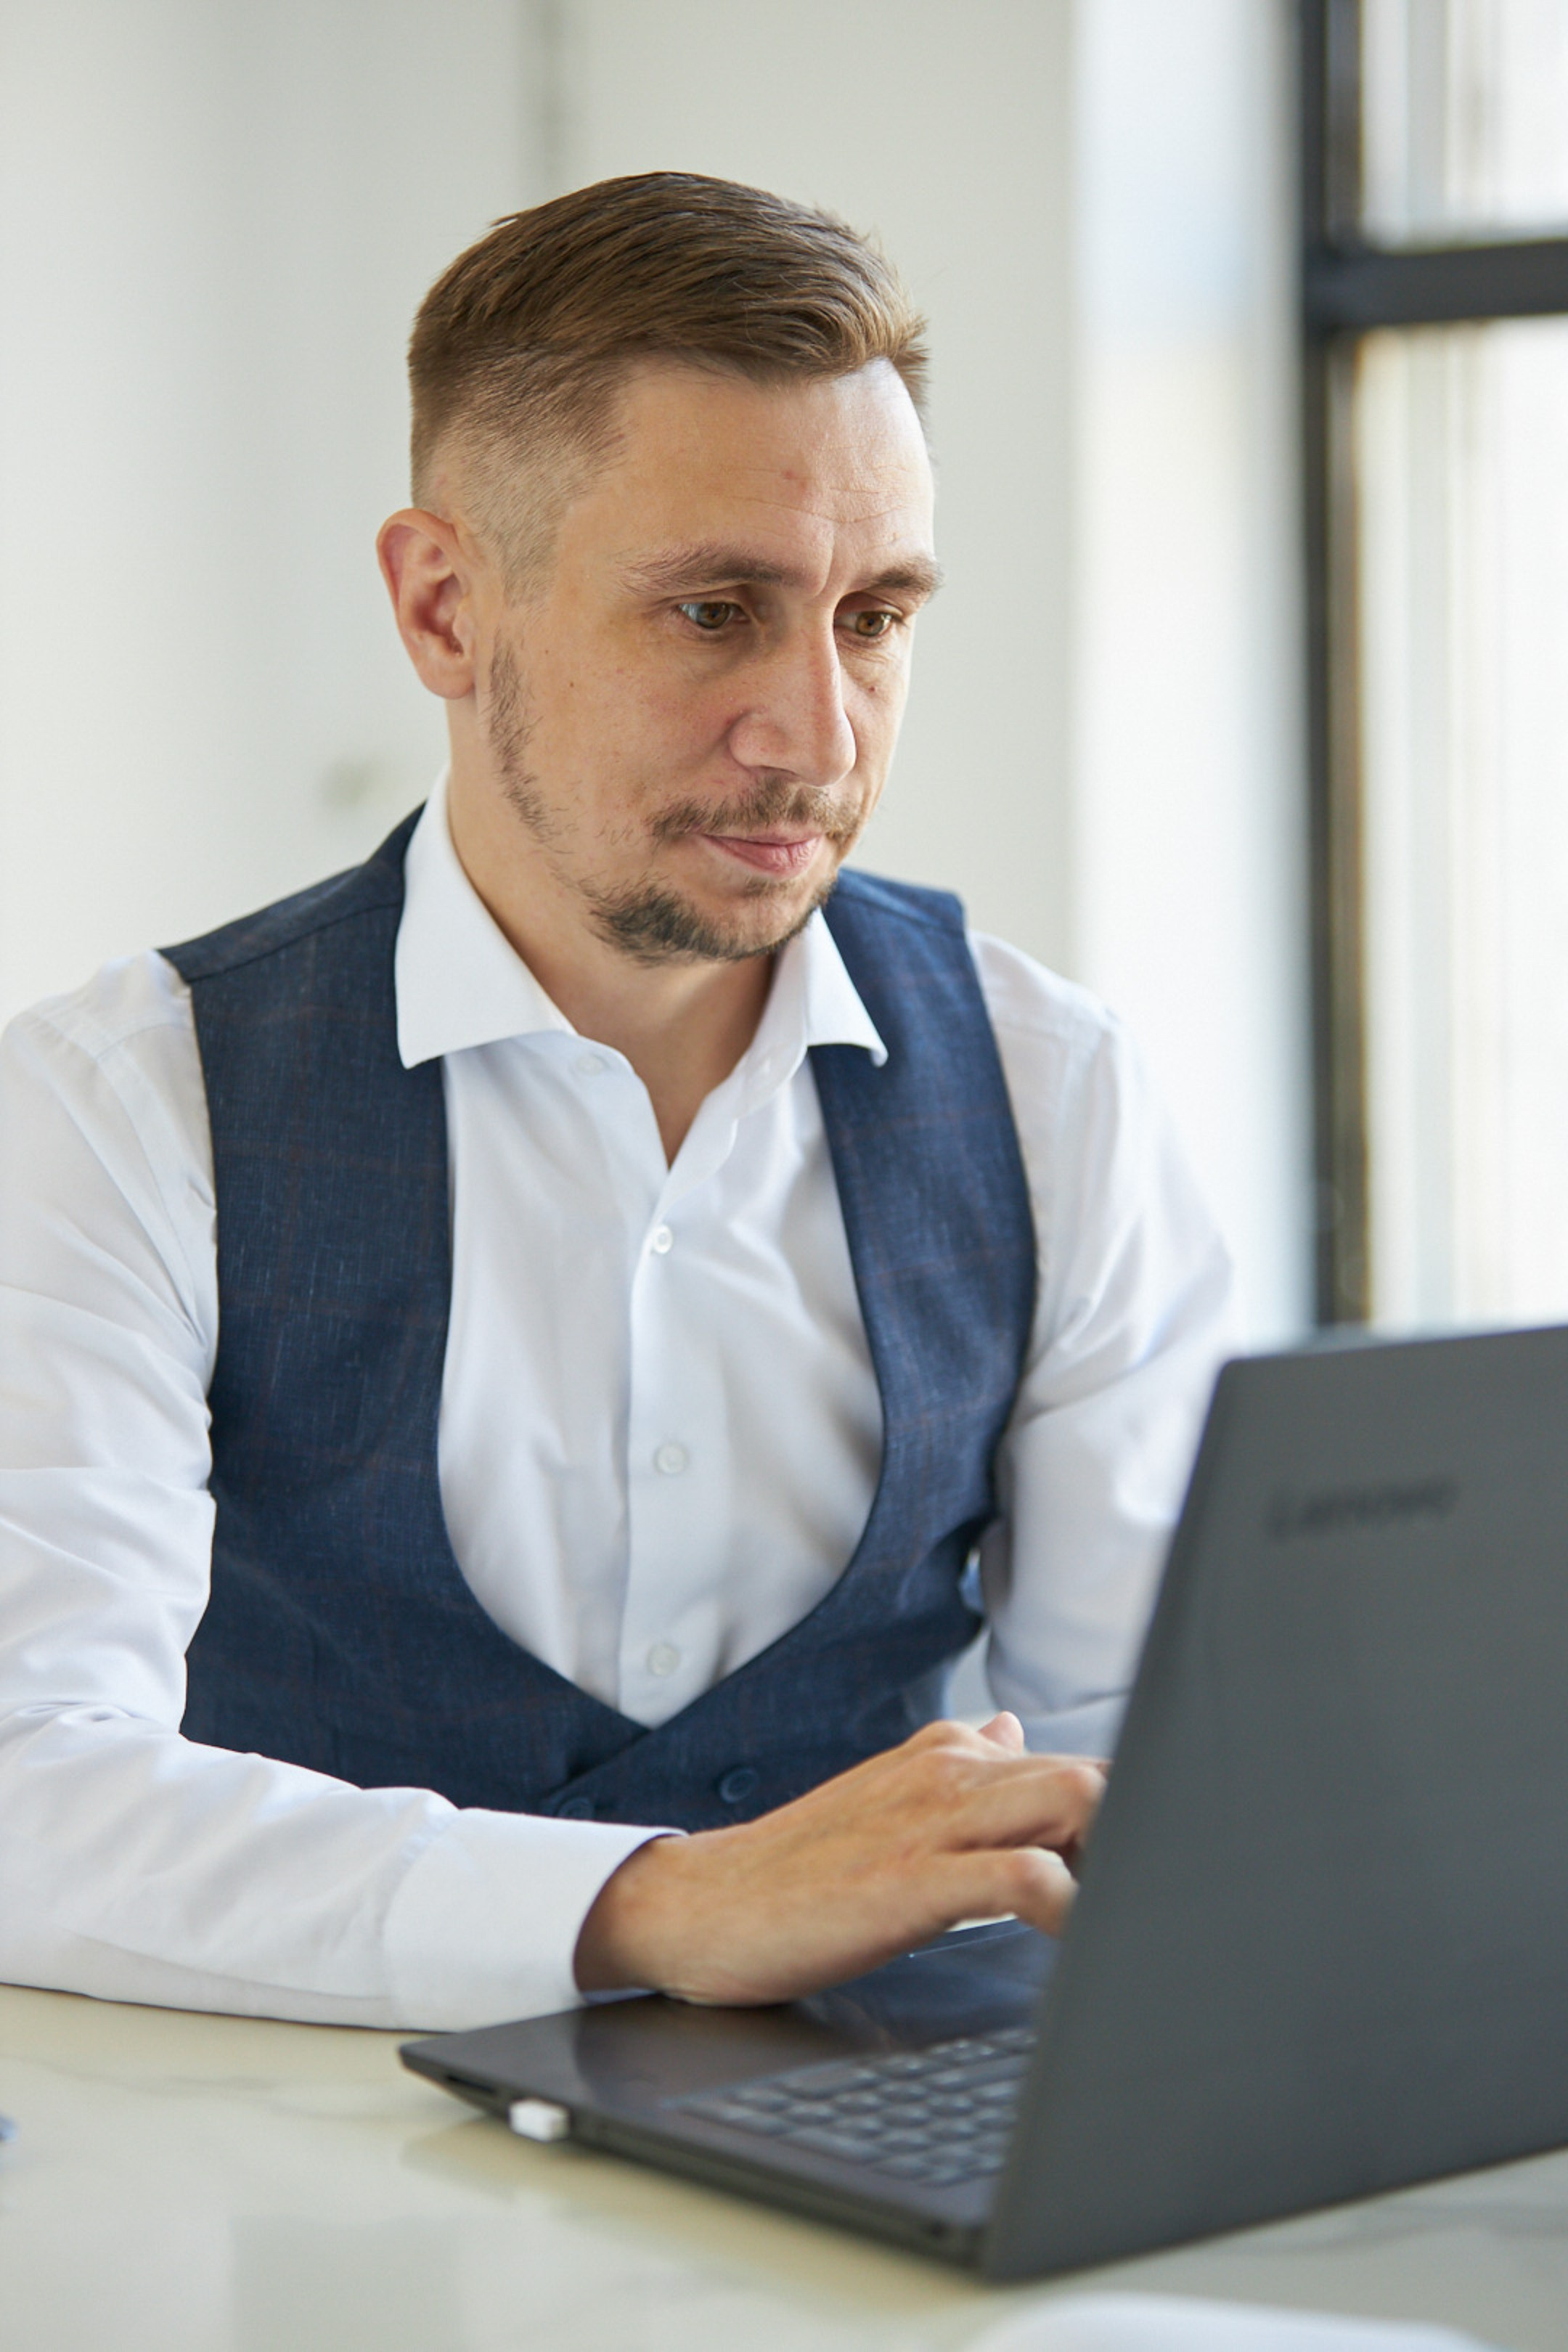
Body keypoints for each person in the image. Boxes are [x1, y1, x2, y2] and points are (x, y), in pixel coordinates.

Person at [0, 173, 1233, 2031]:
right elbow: (30, 1792)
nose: (818, 733)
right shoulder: (120, 1110)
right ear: (441, 608)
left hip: (871, 2215)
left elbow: (1142, 1749)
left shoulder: (1055, 1089)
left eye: (876, 616)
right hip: (294, 2219)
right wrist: (653, 1905)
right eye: (714, 611)